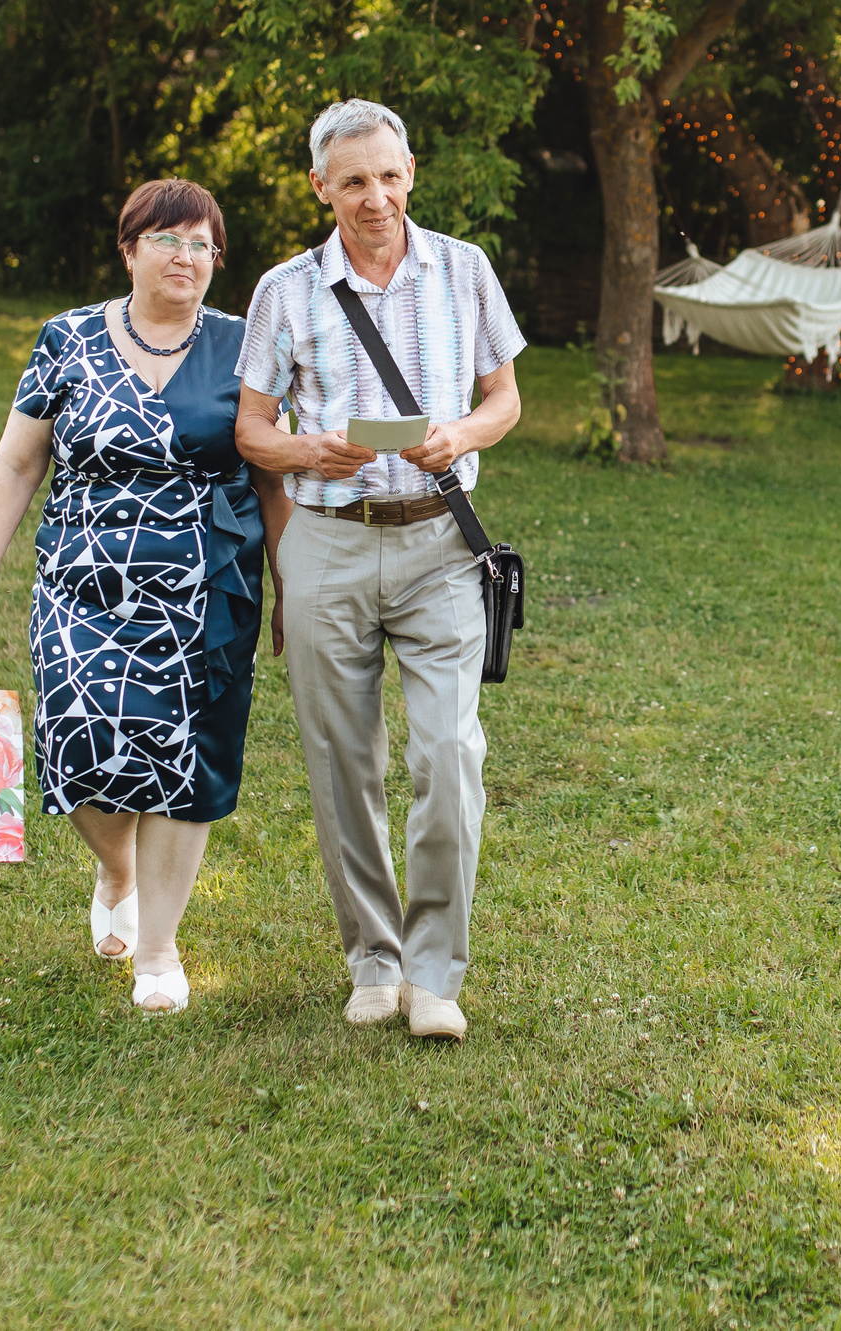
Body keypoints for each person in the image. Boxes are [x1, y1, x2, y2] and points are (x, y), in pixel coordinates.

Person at [0, 180, 282, 1016]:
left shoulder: (244, 346)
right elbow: (18, 463)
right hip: (79, 585)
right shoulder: (68, 339)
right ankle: (116, 866)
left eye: (202, 244)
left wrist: (290, 586)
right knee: (77, 742)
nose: (186, 257)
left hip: (208, 589)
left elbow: (273, 476)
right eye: (168, 240)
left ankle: (158, 946)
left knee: (187, 763)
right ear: (129, 248)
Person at [234, 99, 525, 1044]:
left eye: (390, 176)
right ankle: (374, 957)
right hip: (327, 544)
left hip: (442, 544)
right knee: (342, 760)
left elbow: (506, 397)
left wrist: (463, 435)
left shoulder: (465, 270)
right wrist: (305, 450)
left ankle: (437, 971)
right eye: (354, 180)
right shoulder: (285, 289)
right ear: (321, 186)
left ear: (411, 174)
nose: (376, 197)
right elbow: (250, 428)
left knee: (450, 753)